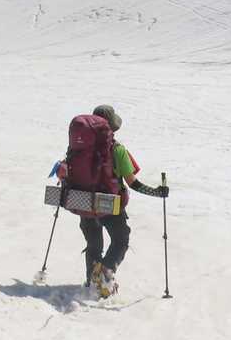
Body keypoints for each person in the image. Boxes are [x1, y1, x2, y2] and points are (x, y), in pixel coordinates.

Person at [58, 104, 167, 297]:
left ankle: (92, 282)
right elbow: (133, 183)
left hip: (83, 202)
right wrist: (157, 193)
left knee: (94, 244)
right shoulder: (117, 150)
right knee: (120, 240)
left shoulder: (78, 148)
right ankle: (105, 276)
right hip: (110, 204)